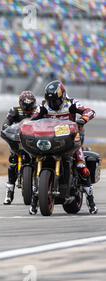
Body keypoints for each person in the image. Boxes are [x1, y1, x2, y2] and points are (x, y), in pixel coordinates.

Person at [29, 80, 97, 215]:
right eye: (51, 101)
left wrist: (83, 119)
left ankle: (91, 200)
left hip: (71, 141)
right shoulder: (43, 106)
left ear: (62, 96)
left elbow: (90, 111)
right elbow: (33, 119)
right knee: (33, 160)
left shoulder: (72, 104)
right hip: (51, 140)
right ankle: (35, 197)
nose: (53, 104)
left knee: (81, 167)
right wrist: (29, 126)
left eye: (55, 100)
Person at [1, 90, 37, 205]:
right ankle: (9, 192)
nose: (28, 108)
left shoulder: (38, 110)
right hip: (18, 141)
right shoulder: (14, 110)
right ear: (21, 103)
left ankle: (40, 187)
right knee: (13, 162)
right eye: (26, 105)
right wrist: (7, 129)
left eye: (30, 105)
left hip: (32, 141)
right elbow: (6, 124)